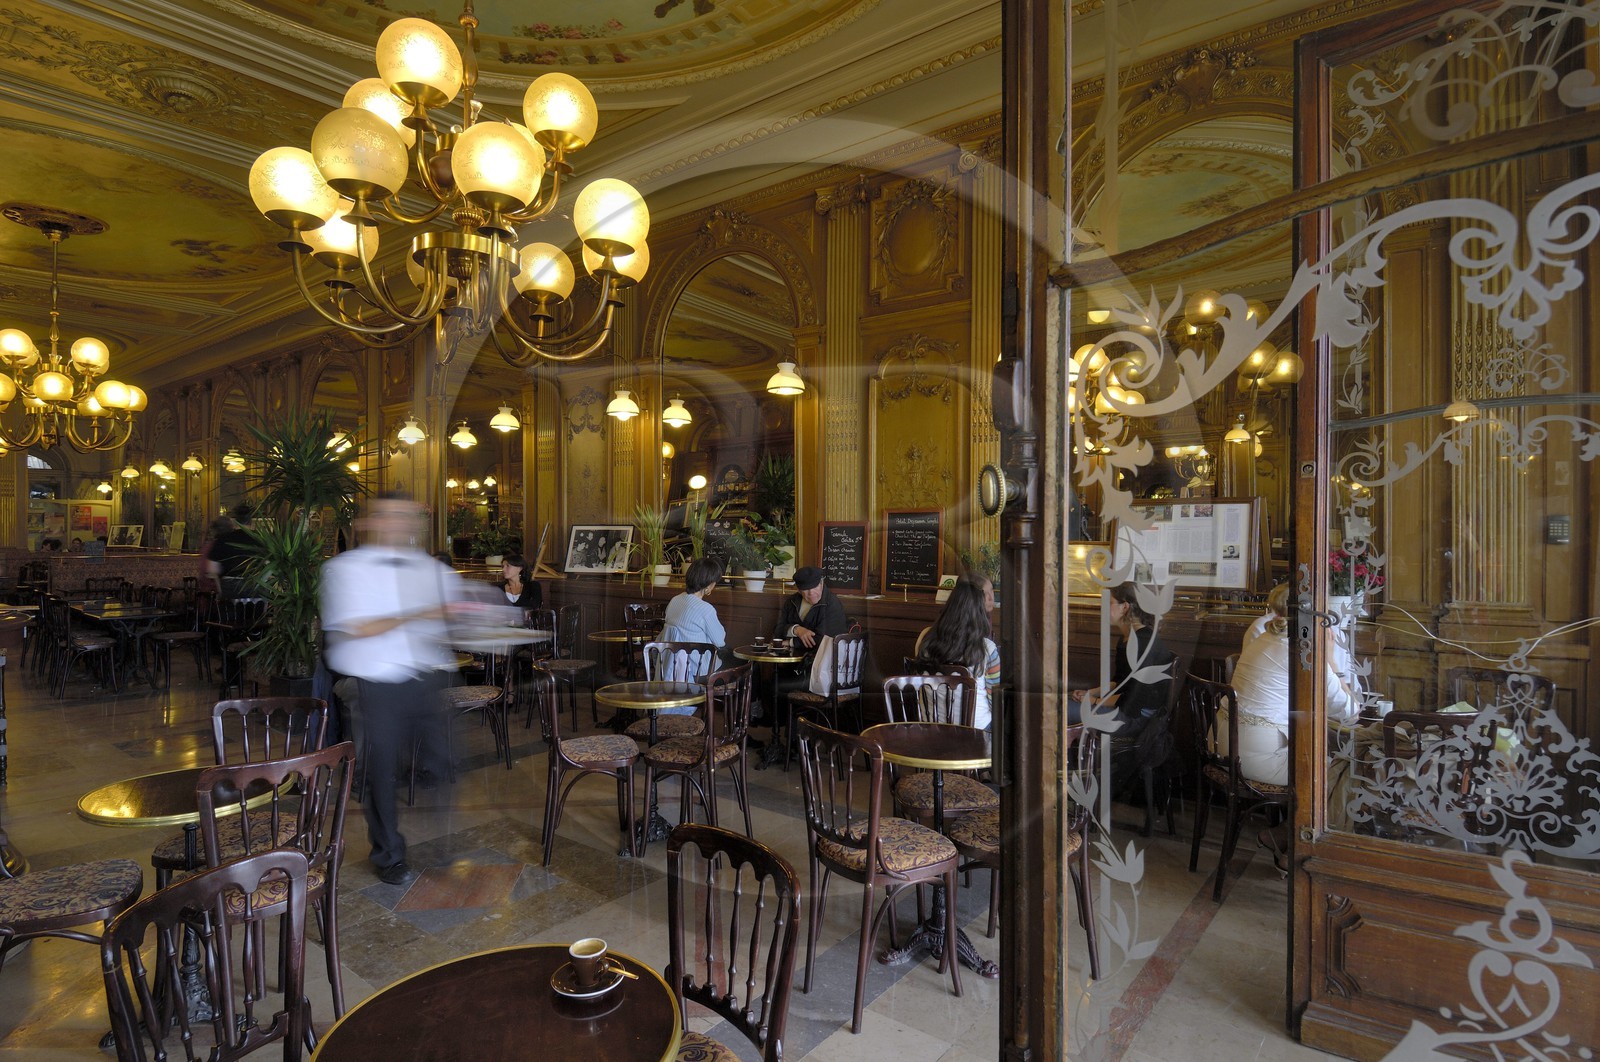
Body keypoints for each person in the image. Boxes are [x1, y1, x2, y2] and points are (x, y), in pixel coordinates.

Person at [320, 494, 465, 886]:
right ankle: (389, 854)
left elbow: (449, 615)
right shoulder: (345, 569)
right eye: (393, 516)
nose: (403, 524)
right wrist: (418, 613)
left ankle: (441, 845)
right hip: (376, 681)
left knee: (441, 759)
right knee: (381, 770)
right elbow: (358, 626)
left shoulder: (426, 567)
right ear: (371, 522)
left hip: (423, 676)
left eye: (409, 517)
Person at [1228, 583, 1358, 785]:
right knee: (1343, 770)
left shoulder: (1263, 637)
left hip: (1226, 745)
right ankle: (1305, 817)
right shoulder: (1303, 654)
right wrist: (1331, 662)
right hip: (1255, 759)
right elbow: (1350, 712)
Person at [914, 572, 1000, 730]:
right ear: (978, 609)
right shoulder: (987, 648)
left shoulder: (924, 639)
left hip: (930, 729)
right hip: (976, 732)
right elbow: (996, 702)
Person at [657, 557, 727, 712]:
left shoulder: (675, 600)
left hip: (670, 666)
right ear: (708, 585)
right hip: (695, 668)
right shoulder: (705, 609)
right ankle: (738, 723)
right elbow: (720, 640)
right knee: (743, 665)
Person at [773, 566, 847, 648]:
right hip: (791, 656)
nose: (811, 593)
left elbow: (822, 640)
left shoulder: (832, 604)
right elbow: (777, 630)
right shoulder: (791, 601)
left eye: (815, 587)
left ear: (822, 583)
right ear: (799, 590)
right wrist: (796, 629)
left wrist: (790, 642)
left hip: (820, 658)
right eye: (806, 589)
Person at [208, 504, 256, 599]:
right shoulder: (261, 539)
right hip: (254, 588)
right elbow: (269, 566)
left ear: (235, 521)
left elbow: (212, 569)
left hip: (230, 589)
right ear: (251, 521)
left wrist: (220, 589)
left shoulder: (223, 539)